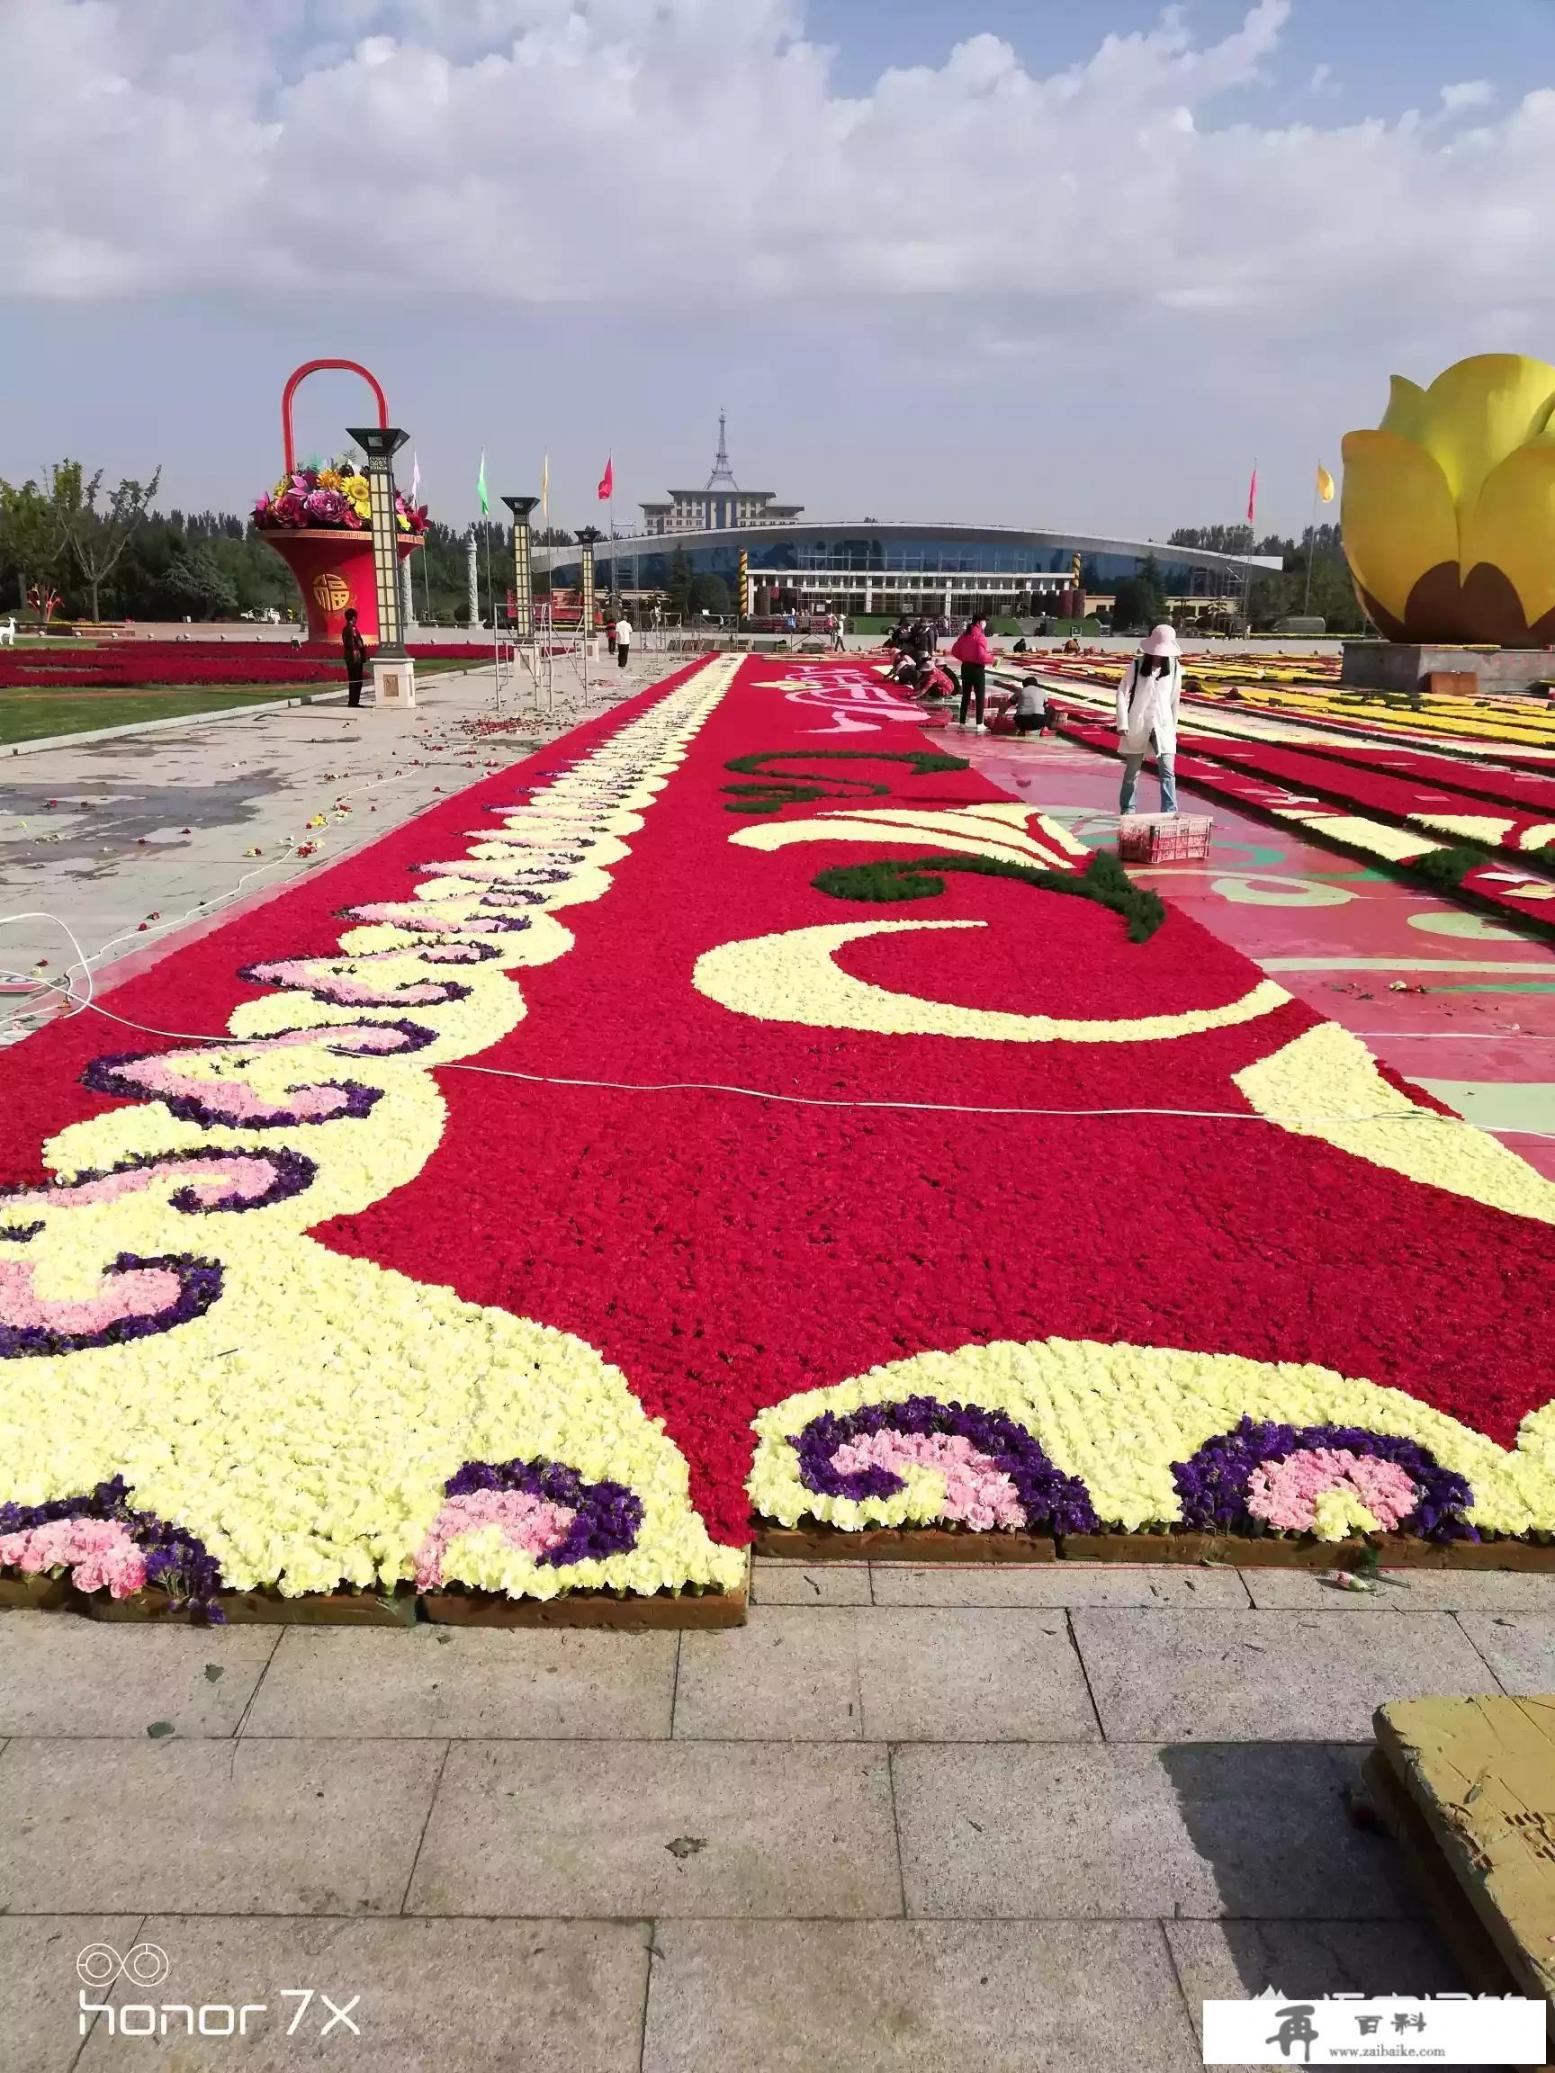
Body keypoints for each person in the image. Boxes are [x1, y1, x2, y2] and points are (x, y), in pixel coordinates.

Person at [1115, 623, 1182, 814]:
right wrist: (1123, 722)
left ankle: (1169, 810)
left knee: (1168, 771)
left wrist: (1172, 729)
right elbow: (1122, 692)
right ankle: (1128, 809)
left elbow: (1174, 701)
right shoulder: (1136, 665)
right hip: (1138, 724)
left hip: (1163, 725)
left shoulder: (1175, 668)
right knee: (1132, 772)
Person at [950, 613, 992, 731]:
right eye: (984, 621)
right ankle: (979, 723)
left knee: (966, 696)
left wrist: (964, 658)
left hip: (966, 667)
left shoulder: (964, 636)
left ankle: (962, 722)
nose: (985, 624)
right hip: (977, 668)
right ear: (979, 622)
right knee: (979, 696)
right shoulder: (980, 637)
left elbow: (954, 651)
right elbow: (981, 657)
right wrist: (992, 659)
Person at [341, 607, 367, 708]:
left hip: (348, 657)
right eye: (356, 617)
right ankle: (354, 702)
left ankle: (352, 701)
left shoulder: (344, 629)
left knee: (352, 680)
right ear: (353, 617)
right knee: (357, 681)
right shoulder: (353, 628)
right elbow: (359, 643)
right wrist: (364, 654)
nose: (357, 619)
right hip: (355, 657)